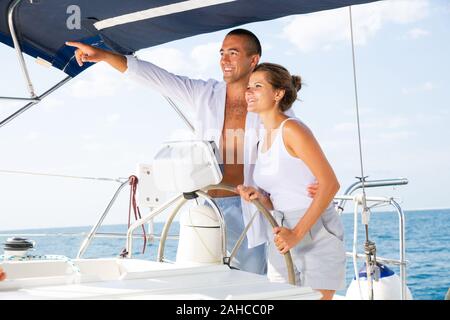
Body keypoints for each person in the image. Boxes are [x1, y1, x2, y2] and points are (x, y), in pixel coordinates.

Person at [65, 30, 317, 275]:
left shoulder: (274, 109)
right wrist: (105, 56)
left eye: (233, 52)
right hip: (203, 206)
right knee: (199, 285)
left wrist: (313, 183)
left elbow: (295, 149)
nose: (224, 60)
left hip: (248, 208)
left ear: (253, 60)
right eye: (221, 53)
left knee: (247, 288)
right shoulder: (204, 93)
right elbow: (156, 77)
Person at [237, 63, 346, 299]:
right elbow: (284, 191)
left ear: (278, 94)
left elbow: (330, 184)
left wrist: (296, 234)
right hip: (280, 228)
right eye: (248, 87)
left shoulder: (292, 129)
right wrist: (261, 200)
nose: (249, 92)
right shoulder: (262, 139)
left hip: (314, 227)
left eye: (257, 86)